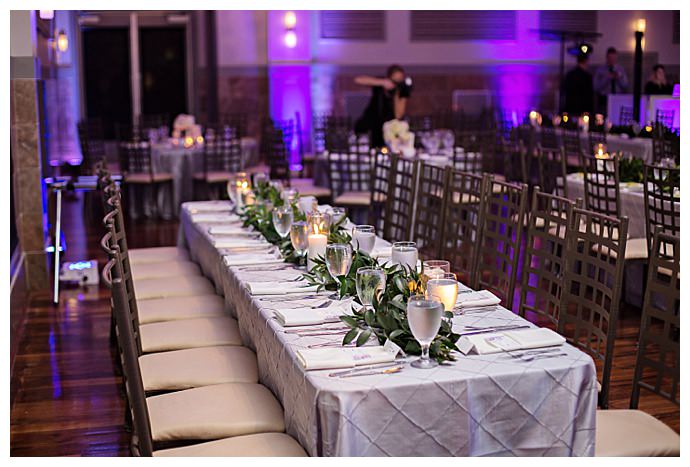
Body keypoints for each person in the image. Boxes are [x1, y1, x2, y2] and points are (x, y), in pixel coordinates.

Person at [354, 65, 411, 148]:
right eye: (394, 79)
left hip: (388, 129)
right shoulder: (380, 83)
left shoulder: (402, 90)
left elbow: (399, 114)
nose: (396, 82)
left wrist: (396, 94)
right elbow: (357, 80)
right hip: (371, 122)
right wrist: (381, 82)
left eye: (399, 79)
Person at [593, 47, 629, 114]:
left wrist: (619, 78)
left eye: (614, 58)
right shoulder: (600, 70)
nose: (612, 60)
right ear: (607, 57)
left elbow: (626, 85)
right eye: (610, 58)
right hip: (604, 100)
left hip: (618, 98)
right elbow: (595, 87)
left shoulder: (621, 69)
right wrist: (607, 78)